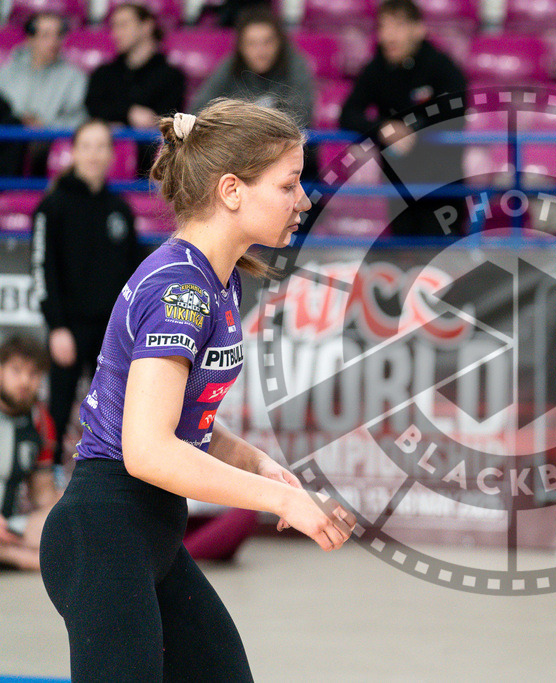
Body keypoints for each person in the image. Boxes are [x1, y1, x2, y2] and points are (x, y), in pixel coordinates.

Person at [38, 99, 356, 681]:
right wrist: (282, 501)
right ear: (232, 190)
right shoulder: (180, 290)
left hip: (149, 538)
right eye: (289, 185)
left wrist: (257, 464)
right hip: (105, 535)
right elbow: (148, 451)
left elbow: (185, 421)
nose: (304, 200)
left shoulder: (217, 278)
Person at [31, 119, 145, 466]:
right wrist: (57, 327)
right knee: (60, 407)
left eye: (101, 146)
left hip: (111, 331)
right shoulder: (53, 206)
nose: (94, 154)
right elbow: (42, 269)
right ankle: (44, 477)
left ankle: (112, 481)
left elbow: (135, 273)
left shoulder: (120, 209)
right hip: (69, 329)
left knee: (116, 410)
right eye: (87, 146)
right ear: (74, 152)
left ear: (112, 155)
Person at [339, 0, 468, 237]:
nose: (388, 36)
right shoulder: (376, 69)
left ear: (419, 29)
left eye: (397, 26)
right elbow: (348, 115)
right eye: (383, 27)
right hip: (398, 189)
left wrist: (411, 129)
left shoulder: (440, 65)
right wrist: (382, 129)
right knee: (403, 262)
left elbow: (456, 111)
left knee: (441, 264)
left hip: (441, 187)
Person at [191, 5, 317, 179]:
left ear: (280, 43)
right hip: (238, 166)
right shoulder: (230, 66)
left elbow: (299, 119)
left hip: (292, 167)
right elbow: (197, 110)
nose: (260, 51)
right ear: (241, 47)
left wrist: (239, 131)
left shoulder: (296, 65)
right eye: (252, 43)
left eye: (267, 42)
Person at [85, 2, 186, 176]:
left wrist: (119, 119)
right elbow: (93, 106)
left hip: (149, 166)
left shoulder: (172, 76)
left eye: (123, 25)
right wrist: (129, 113)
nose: (115, 33)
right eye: (114, 26)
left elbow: (165, 119)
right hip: (107, 162)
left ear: (146, 26)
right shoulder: (104, 73)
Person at [0, 12, 87, 175]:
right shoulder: (6, 72)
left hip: (47, 143)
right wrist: (20, 123)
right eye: (46, 35)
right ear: (30, 39)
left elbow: (78, 119)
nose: (54, 41)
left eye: (58, 34)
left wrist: (45, 127)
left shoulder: (75, 76)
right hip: (7, 141)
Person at [0, 335, 59, 571]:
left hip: (10, 526)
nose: (25, 380)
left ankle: (9, 553)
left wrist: (69, 503)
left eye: (33, 374)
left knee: (66, 517)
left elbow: (41, 493)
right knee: (50, 561)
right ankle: (17, 557)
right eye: (16, 371)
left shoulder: (42, 423)